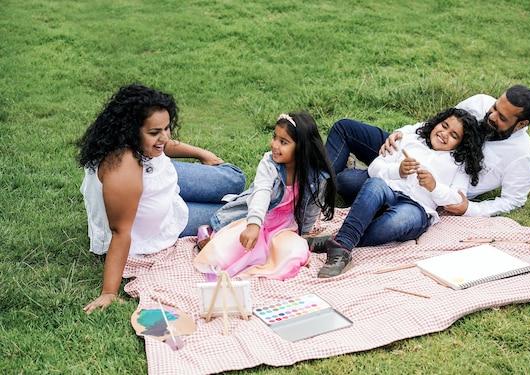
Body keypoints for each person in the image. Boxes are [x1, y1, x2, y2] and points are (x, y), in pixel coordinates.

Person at [77, 84, 245, 313]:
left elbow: (162, 145)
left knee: (234, 179)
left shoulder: (143, 146)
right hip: (160, 224)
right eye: (155, 132)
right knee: (239, 211)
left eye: (166, 128)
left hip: (163, 184)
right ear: (130, 131)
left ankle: (229, 198)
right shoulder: (123, 170)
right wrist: (109, 293)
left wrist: (200, 153)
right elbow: (120, 232)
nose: (164, 137)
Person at [326, 84, 530, 217]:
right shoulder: (479, 101)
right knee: (345, 128)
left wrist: (469, 208)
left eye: (501, 118)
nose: (490, 116)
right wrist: (401, 133)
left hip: (430, 186)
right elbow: (438, 123)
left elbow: (513, 200)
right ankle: (313, 188)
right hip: (413, 150)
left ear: (521, 124)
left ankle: (355, 177)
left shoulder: (522, 156)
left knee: (348, 182)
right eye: (494, 108)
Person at [318, 108, 484, 278]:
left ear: (461, 144)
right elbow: (375, 168)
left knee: (398, 221)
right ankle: (342, 247)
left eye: (454, 135)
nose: (444, 133)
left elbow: (457, 199)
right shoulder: (412, 140)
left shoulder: (459, 165)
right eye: (444, 125)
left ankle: (339, 240)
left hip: (416, 208)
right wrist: (398, 171)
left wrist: (435, 187)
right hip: (389, 190)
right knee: (374, 184)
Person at [193, 111, 336, 281]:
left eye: (283, 142)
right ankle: (210, 239)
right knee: (233, 250)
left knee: (295, 252)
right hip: (258, 218)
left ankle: (269, 256)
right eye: (275, 137)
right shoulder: (269, 164)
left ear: (301, 148)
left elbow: (311, 209)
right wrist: (253, 225)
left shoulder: (316, 177)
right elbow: (261, 193)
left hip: (285, 227)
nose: (274, 145)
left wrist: (303, 235)